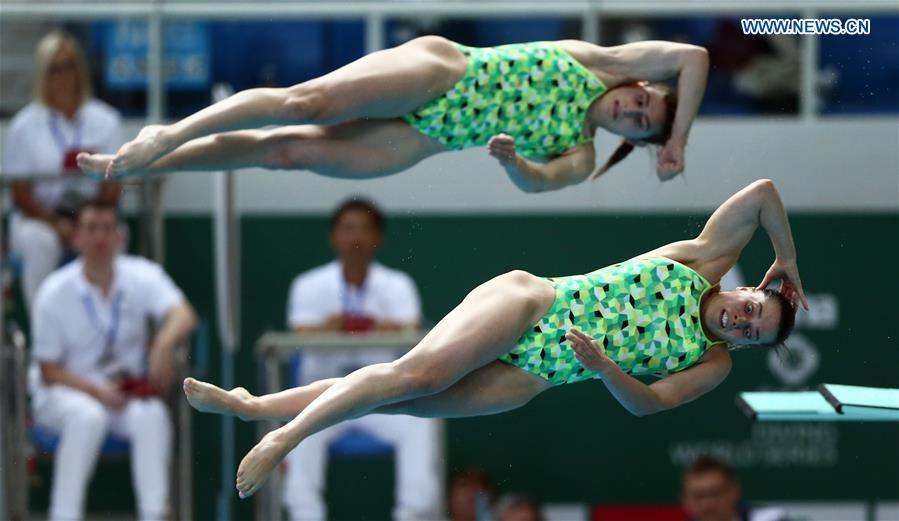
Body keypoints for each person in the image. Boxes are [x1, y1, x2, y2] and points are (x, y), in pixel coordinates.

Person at [183, 178, 807, 498]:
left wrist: (604, 366)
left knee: (403, 400)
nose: (744, 322)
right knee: (414, 374)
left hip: (539, 374)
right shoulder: (702, 260)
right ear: (751, 289)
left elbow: (651, 404)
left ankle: (253, 405)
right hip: (531, 304)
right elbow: (762, 194)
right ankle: (282, 437)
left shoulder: (713, 363)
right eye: (755, 308)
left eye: (754, 333)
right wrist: (790, 264)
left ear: (745, 347)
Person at [78, 37, 710, 190]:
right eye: (644, 98)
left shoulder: (581, 149)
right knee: (308, 101)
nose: (634, 108)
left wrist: (516, 162)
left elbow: (541, 184)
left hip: (427, 134)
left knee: (288, 151)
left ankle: (145, 169)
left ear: (629, 138)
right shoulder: (600, 60)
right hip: (443, 71)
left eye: (641, 123)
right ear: (636, 82)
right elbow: (695, 55)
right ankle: (166, 135)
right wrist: (676, 141)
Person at [29, 202, 198, 521]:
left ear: (120, 236)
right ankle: (63, 515)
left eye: (107, 229)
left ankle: (156, 513)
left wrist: (162, 342)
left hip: (121, 394)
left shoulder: (141, 274)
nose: (100, 238)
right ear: (76, 237)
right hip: (64, 393)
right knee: (88, 416)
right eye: (91, 229)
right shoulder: (53, 292)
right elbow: (48, 371)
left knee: (150, 415)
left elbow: (183, 314)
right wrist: (95, 391)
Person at [282, 197, 440, 521]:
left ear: (377, 238)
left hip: (379, 397)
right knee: (299, 428)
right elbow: (298, 333)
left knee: (421, 422)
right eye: (348, 228)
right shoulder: (308, 285)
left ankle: (413, 515)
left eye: (365, 229)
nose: (356, 238)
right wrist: (330, 327)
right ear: (334, 237)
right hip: (322, 395)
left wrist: (378, 325)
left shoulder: (398, 285)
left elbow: (411, 331)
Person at [2, 31, 122, 311]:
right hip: (40, 218)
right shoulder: (25, 124)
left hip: (93, 211)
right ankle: (44, 333)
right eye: (54, 69)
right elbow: (20, 193)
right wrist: (56, 224)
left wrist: (86, 222)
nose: (63, 76)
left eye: (69, 66)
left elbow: (114, 182)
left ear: (80, 70)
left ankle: (104, 330)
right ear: (43, 75)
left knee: (108, 236)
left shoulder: (105, 120)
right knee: (39, 242)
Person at [682, 455, 788, 521]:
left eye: (715, 493)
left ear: (734, 491)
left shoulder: (769, 518)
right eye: (698, 496)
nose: (707, 503)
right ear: (686, 500)